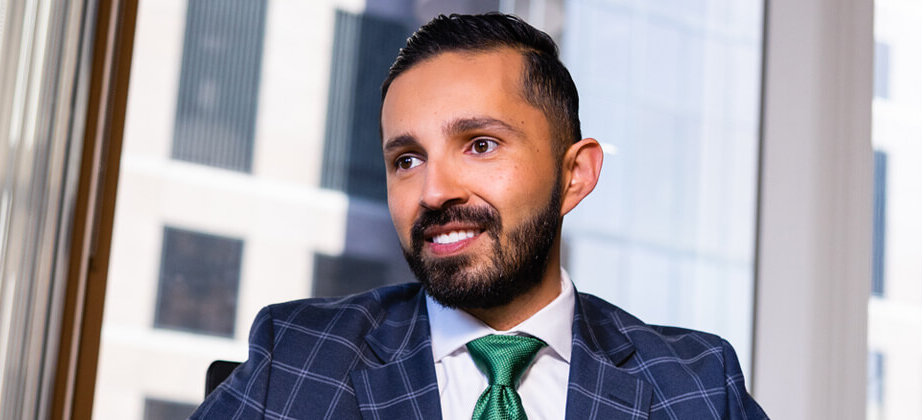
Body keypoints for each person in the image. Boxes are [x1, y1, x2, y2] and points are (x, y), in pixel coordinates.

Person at [192, 12, 768, 420]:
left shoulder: (695, 385)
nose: (434, 190)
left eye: (481, 145)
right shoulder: (296, 358)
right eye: (407, 158)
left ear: (575, 176)